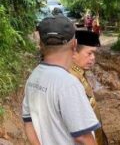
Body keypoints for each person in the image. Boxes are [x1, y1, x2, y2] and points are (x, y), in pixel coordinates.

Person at [22, 15, 100, 145]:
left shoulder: (33, 77)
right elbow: (83, 137)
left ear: (40, 44)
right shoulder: (68, 84)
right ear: (74, 44)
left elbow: (28, 122)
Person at [70, 30, 108, 145]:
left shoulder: (79, 73)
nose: (93, 58)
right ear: (74, 52)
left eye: (94, 54)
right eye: (89, 53)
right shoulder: (70, 81)